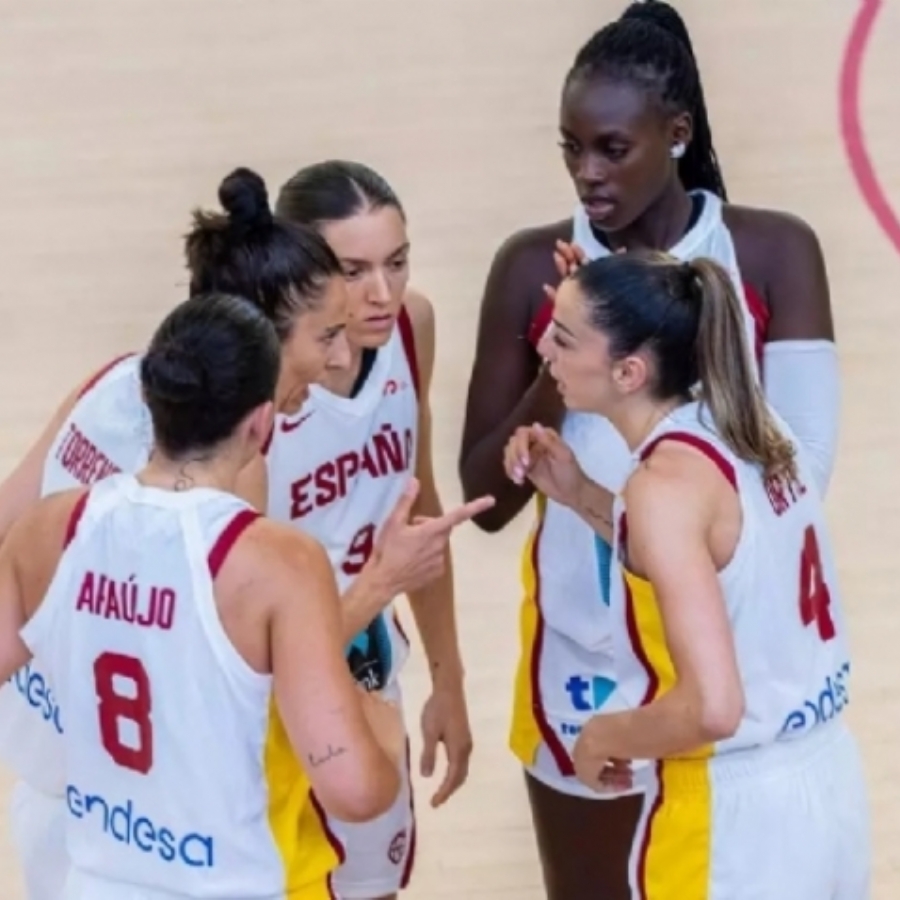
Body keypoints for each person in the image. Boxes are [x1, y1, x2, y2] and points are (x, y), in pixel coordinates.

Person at [0, 167, 469, 900]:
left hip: (79, 821)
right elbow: (235, 678)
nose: (340, 357)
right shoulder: (251, 534)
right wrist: (379, 595)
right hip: (194, 837)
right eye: (326, 335)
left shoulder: (107, 401)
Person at [459, 3, 840, 897]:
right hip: (584, 654)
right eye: (570, 149)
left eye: (611, 149)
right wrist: (566, 341)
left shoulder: (773, 252)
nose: (587, 174)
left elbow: (805, 475)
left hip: (722, 658)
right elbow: (487, 494)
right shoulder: (530, 268)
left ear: (677, 134)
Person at [502, 251, 868, 900]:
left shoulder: (664, 487)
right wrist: (584, 494)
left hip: (733, 821)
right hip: (828, 786)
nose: (547, 355)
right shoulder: (751, 426)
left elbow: (713, 706)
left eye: (562, 339)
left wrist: (602, 735)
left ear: (629, 370)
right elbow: (718, 552)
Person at [260, 159, 479, 900]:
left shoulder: (410, 329)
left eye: (397, 261)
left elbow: (419, 508)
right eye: (354, 270)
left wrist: (448, 679)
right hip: (268, 680)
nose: (382, 292)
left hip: (365, 655)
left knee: (370, 886)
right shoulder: (258, 382)